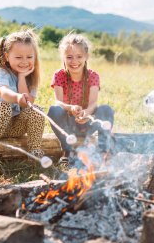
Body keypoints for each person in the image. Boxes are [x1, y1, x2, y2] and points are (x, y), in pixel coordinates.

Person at [47, 33, 114, 167]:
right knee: (54, 110)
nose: (74, 61)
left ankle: (103, 151)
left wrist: (87, 113)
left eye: (79, 57)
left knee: (106, 109)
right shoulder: (59, 75)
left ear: (86, 56)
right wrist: (70, 108)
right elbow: (58, 101)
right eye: (69, 57)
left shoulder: (93, 76)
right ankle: (67, 150)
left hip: (88, 122)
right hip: (68, 124)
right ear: (63, 58)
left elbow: (93, 103)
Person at [0, 29, 45, 161]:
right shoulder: (1, 72)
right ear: (7, 56)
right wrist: (17, 97)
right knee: (4, 106)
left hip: (15, 127)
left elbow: (28, 103)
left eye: (29, 57)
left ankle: (35, 152)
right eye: (19, 57)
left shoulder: (30, 77)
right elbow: (3, 92)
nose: (24, 61)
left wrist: (21, 77)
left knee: (36, 110)